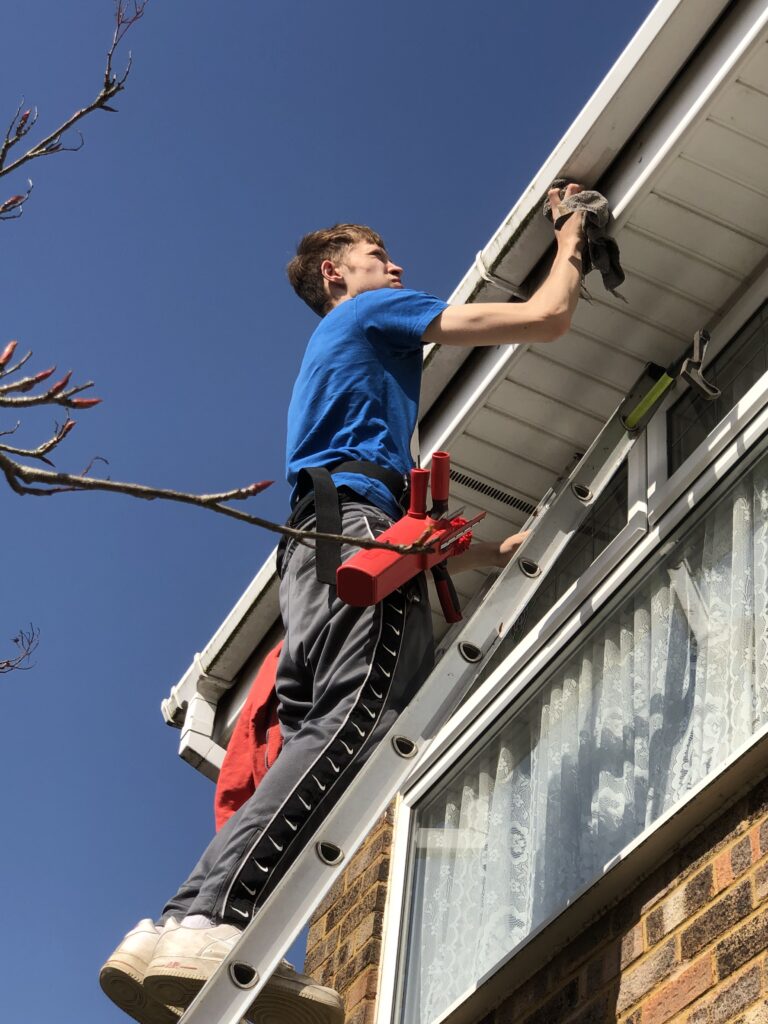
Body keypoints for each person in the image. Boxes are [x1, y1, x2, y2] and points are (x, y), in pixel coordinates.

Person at [100, 184, 585, 1024]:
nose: (397, 267)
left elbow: (359, 503)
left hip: (316, 543)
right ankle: (218, 920)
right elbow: (546, 317)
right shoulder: (370, 316)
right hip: (351, 528)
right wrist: (575, 234)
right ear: (337, 273)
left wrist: (483, 549)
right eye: (378, 257)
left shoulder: (333, 362)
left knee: (316, 732)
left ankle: (179, 923)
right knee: (360, 719)